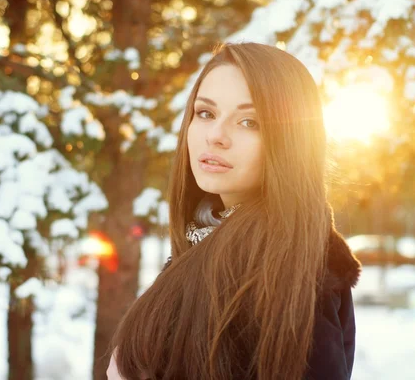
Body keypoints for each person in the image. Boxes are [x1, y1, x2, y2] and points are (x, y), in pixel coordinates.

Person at [107, 42, 361, 380]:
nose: (216, 136)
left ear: (290, 142)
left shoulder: (289, 270)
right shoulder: (206, 239)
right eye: (206, 113)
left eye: (249, 122)